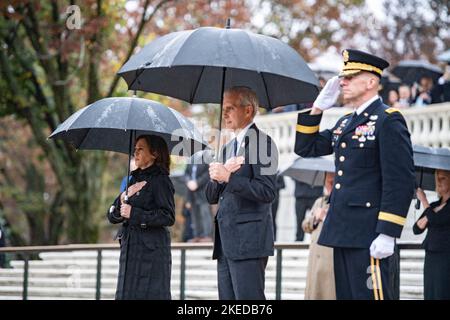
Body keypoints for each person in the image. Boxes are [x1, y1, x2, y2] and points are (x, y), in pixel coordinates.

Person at [294, 49, 415, 300]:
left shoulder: (388, 120)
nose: (343, 82)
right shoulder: (345, 123)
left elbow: (400, 181)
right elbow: (306, 147)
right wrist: (317, 108)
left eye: (350, 77)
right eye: (343, 77)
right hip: (342, 231)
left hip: (370, 233)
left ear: (371, 81)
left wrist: (388, 232)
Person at [205, 86, 278, 300]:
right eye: (223, 108)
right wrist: (218, 177)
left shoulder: (263, 143)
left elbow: (267, 191)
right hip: (225, 242)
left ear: (248, 110)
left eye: (230, 108)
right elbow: (211, 196)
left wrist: (229, 178)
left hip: (249, 242)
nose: (224, 113)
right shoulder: (227, 148)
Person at [107, 134, 175, 300]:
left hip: (151, 252)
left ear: (154, 154)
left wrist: (134, 214)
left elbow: (168, 216)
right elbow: (112, 215)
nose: (135, 153)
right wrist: (123, 197)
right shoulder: (132, 179)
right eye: (134, 149)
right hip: (130, 248)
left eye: (140, 149)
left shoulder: (161, 180)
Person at [413, 169, 450, 300]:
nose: (439, 182)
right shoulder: (434, 205)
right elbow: (416, 229)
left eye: (443, 178)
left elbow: (437, 220)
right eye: (437, 178)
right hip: (431, 254)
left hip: (445, 256)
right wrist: (429, 213)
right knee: (430, 290)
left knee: (442, 290)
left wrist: (424, 200)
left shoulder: (432, 206)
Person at [302, 171, 336, 299]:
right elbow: (305, 225)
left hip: (329, 259)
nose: (329, 186)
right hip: (315, 258)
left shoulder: (340, 203)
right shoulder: (319, 201)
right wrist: (315, 218)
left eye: (332, 183)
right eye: (328, 183)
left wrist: (327, 217)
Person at [184, 162, 213, 242]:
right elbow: (186, 174)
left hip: (203, 193)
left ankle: (207, 236)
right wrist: (188, 182)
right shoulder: (190, 162)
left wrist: (197, 183)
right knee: (194, 215)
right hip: (192, 194)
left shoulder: (206, 161)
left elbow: (207, 174)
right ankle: (197, 236)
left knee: (205, 214)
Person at [271, 174, 285, 240]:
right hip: (264, 200)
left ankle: (274, 239)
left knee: (273, 219)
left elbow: (283, 185)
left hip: (274, 200)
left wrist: (273, 186)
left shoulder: (278, 173)